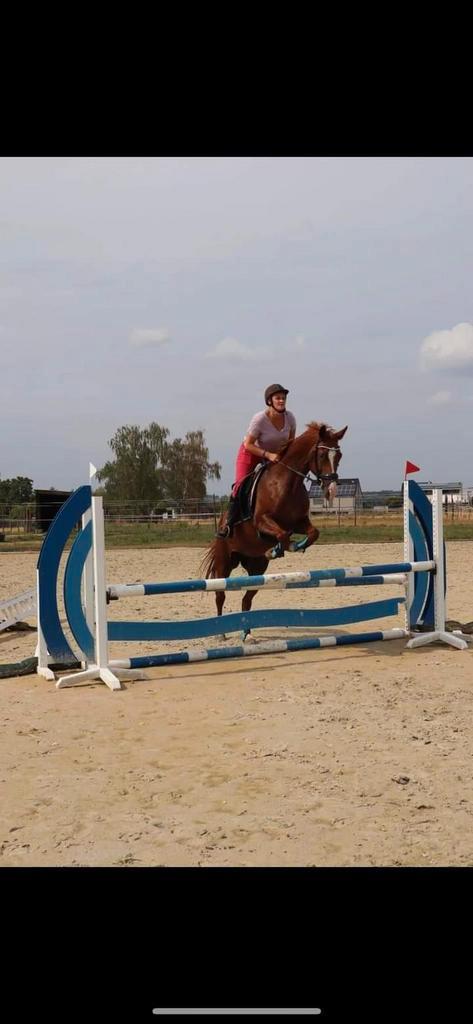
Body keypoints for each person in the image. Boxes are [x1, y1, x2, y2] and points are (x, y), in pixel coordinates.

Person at [218, 384, 296, 538]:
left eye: (283, 398)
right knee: (240, 485)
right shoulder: (260, 419)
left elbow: (291, 443)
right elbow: (248, 444)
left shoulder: (290, 418)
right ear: (269, 401)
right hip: (250, 453)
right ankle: (229, 523)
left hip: (274, 456)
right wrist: (268, 455)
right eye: (278, 398)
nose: (281, 401)